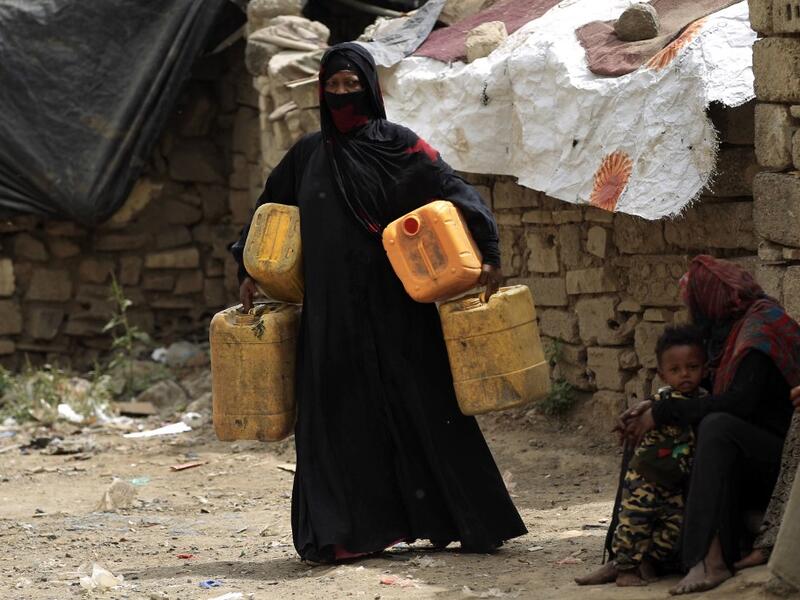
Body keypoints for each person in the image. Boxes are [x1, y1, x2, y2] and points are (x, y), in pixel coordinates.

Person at [229, 43, 527, 564]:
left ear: (370, 87)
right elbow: (268, 215)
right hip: (329, 318)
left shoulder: (401, 147)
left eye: (352, 85)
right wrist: (248, 268)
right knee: (337, 420)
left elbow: (453, 190)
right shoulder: (306, 156)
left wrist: (490, 252)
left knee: (425, 407)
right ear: (321, 92)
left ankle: (465, 520)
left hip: (397, 308)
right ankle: (343, 533)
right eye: (334, 87)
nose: (343, 96)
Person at [617, 255, 800, 595]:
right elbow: (709, 388)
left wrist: (667, 411)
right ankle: (626, 554)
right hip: (743, 449)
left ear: (710, 302)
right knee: (642, 425)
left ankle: (707, 559)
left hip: (781, 461)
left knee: (715, 426)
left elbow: (738, 404)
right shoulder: (727, 332)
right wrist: (656, 408)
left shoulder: (758, 332)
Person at [576, 325, 708, 587]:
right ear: (662, 374)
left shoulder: (704, 400)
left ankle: (645, 562)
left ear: (704, 369)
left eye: (692, 367)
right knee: (634, 521)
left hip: (674, 483)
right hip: (645, 478)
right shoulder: (662, 399)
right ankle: (624, 568)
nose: (684, 374)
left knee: (674, 528)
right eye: (675, 370)